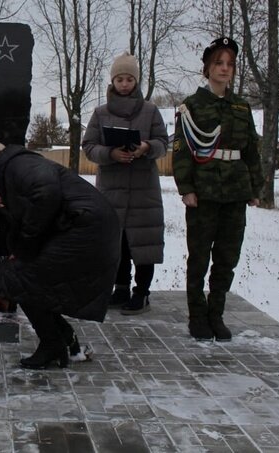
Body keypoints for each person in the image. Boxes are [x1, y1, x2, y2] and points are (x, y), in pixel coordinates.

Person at [0, 138, 120, 369]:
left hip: (86, 230)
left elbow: (46, 194)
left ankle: (53, 345)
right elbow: (30, 214)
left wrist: (25, 249)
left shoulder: (18, 166)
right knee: (19, 276)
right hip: (81, 228)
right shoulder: (12, 171)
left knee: (19, 278)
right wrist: (19, 250)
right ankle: (61, 339)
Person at [172, 37, 263, 342]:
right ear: (207, 68)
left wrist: (255, 186)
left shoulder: (241, 106)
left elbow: (251, 148)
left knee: (227, 257)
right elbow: (182, 151)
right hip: (204, 191)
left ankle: (216, 314)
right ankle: (197, 316)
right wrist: (186, 188)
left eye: (230, 65)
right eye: (219, 64)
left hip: (235, 190)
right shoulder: (191, 106)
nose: (225, 69)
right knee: (199, 257)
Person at [83, 52, 168, 315]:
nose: (124, 84)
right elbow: (88, 146)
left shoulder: (151, 111)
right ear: (112, 81)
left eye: (129, 78)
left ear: (136, 81)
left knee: (143, 244)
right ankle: (119, 288)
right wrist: (111, 154)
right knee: (116, 243)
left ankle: (141, 293)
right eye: (119, 78)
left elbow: (163, 143)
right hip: (112, 189)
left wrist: (145, 147)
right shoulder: (100, 113)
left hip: (144, 191)